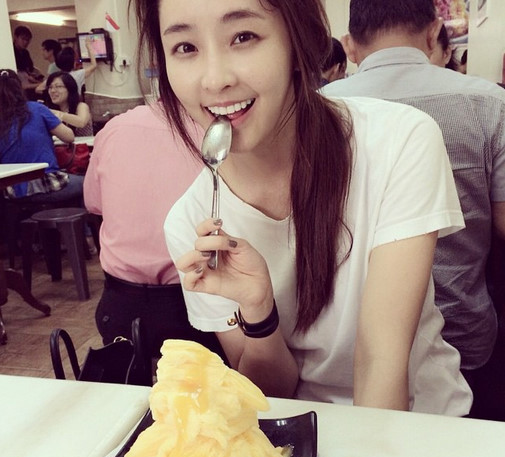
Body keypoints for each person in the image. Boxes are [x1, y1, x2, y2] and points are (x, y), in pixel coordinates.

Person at [131, 0, 472, 415]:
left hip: (416, 426)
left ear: (297, 43)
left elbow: (381, 363)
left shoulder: (398, 142)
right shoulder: (192, 222)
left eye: (243, 36)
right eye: (185, 47)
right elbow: (270, 393)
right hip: (300, 431)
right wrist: (258, 310)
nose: (215, 79)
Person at [323, 0, 505, 395]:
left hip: (347, 350)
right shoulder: (491, 103)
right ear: (434, 32)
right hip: (464, 334)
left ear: (349, 46)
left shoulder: (321, 111)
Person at [83, 103, 228, 362]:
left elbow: (93, 204)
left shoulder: (115, 128)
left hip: (120, 307)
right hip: (197, 305)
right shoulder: (221, 131)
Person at [0, 69, 83, 203]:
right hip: (46, 182)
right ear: (19, 88)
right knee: (88, 183)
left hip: (10, 191)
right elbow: (69, 137)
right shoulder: (37, 108)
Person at [46, 72, 93, 136]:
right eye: (50, 87)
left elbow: (81, 122)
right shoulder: (49, 109)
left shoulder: (81, 106)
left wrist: (58, 114)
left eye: (58, 86)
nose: (53, 91)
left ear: (70, 89)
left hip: (85, 142)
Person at [12, 25, 43, 99]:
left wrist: (33, 75)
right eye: (23, 39)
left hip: (28, 83)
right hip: (17, 84)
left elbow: (30, 68)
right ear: (16, 37)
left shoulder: (25, 53)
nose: (25, 42)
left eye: (28, 40)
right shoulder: (11, 51)